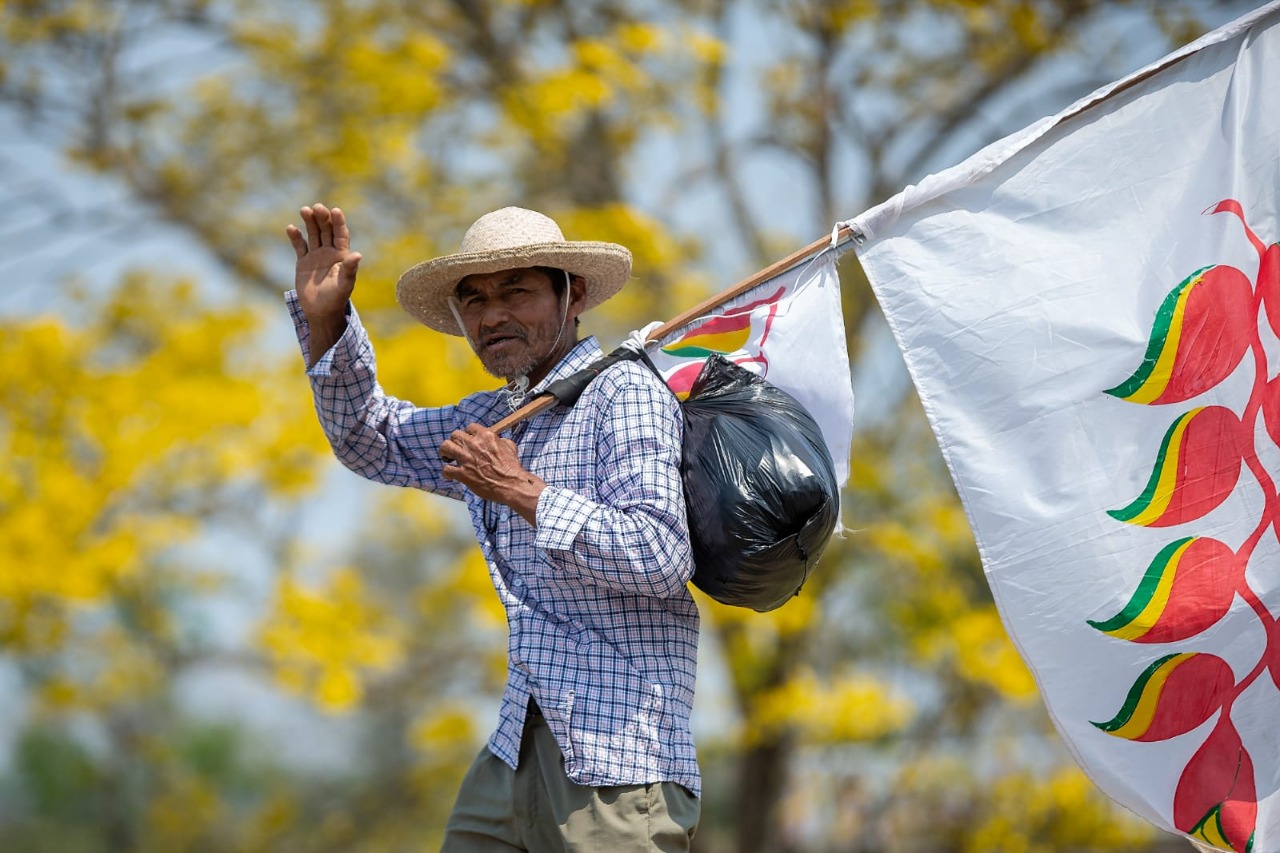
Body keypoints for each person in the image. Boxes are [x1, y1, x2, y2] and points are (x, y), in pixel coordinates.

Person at [284, 202, 701, 850]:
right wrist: (327, 320)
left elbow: (661, 554)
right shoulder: (494, 418)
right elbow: (371, 441)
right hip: (515, 748)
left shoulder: (625, 393)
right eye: (474, 299)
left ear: (573, 295)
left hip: (618, 762)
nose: (492, 315)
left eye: (516, 291)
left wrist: (520, 490)